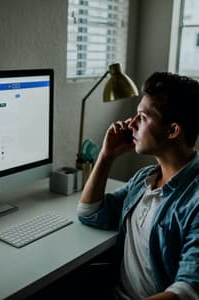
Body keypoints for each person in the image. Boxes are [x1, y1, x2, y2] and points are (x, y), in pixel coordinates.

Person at [77, 72, 199, 300]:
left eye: (142, 117)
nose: (131, 123)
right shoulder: (145, 179)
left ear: (172, 130)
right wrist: (106, 156)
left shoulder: (195, 200)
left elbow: (187, 292)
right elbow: (90, 213)